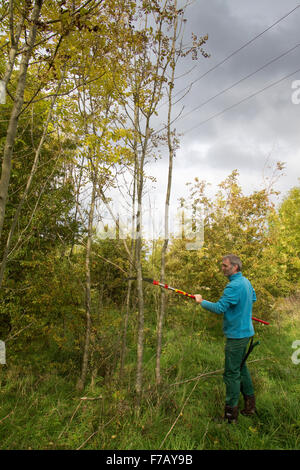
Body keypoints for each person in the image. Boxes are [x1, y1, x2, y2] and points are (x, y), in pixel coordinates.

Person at [194, 254, 257, 423]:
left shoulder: (233, 286)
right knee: (241, 368)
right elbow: (252, 298)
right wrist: (240, 308)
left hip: (237, 336)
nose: (222, 268)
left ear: (234, 267)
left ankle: (230, 417)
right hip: (246, 333)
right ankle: (250, 407)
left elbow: (219, 308)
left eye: (224, 266)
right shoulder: (246, 282)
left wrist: (201, 301)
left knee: (231, 374)